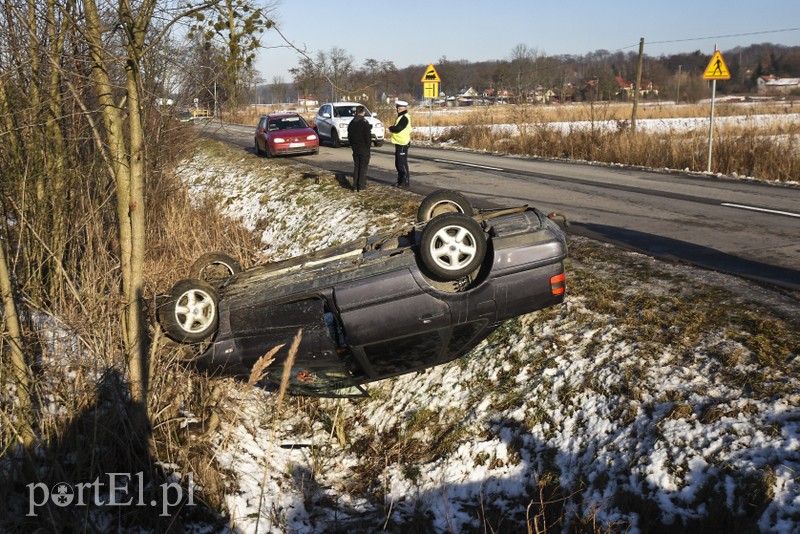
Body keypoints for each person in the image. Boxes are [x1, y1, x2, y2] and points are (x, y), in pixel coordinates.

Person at [347, 105, 372, 192]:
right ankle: (361, 186)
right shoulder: (364, 123)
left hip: (355, 148)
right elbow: (368, 138)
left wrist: (352, 145)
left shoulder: (352, 123)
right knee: (363, 167)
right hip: (364, 148)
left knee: (357, 166)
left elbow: (349, 136)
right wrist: (368, 146)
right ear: (363, 112)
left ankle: (355, 186)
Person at [388, 100, 412, 187]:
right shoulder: (400, 116)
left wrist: (391, 128)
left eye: (399, 108)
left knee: (402, 163)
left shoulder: (404, 117)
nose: (397, 109)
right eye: (397, 108)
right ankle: (400, 180)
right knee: (398, 163)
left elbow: (399, 128)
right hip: (399, 142)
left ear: (404, 108)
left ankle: (405, 182)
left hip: (403, 142)